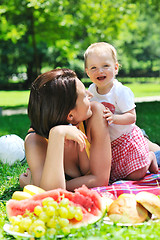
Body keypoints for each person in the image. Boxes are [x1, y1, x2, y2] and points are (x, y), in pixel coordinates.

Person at [19, 68, 112, 191]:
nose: (91, 95)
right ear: (70, 115)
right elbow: (52, 195)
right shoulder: (35, 141)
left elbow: (100, 180)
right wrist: (57, 134)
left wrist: (37, 185)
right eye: (84, 95)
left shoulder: (95, 113)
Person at [84, 42, 158, 183]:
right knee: (116, 173)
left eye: (105, 66)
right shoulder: (92, 90)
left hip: (126, 139)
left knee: (137, 173)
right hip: (109, 143)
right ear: (88, 72)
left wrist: (114, 118)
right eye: (94, 68)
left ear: (116, 68)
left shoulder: (120, 91)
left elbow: (132, 117)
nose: (100, 71)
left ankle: (150, 157)